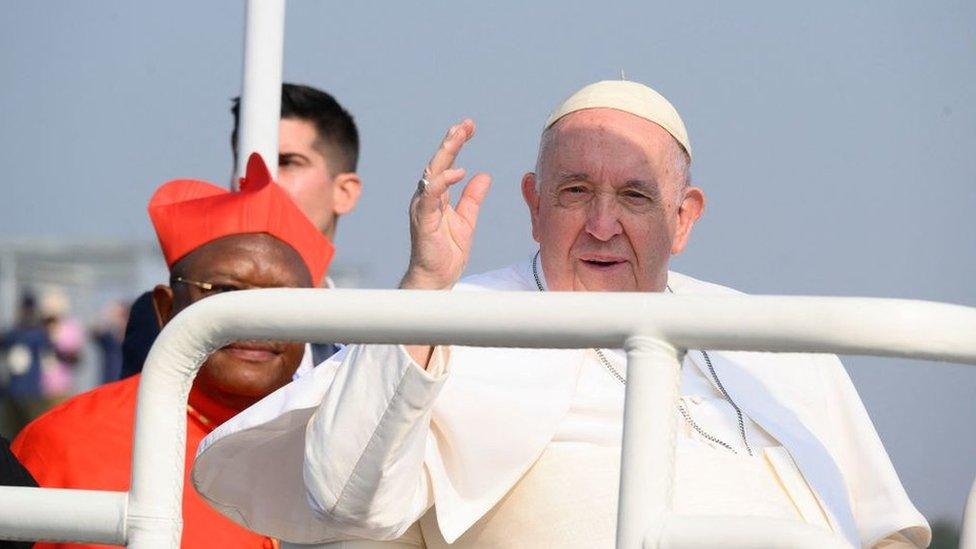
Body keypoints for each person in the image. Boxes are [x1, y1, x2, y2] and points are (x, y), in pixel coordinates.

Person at [192, 81, 930, 548]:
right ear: (533, 204)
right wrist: (424, 286)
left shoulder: (768, 334)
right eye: (576, 191)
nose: (603, 225)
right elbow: (341, 500)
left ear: (685, 217)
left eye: (636, 198)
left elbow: (884, 527)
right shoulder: (467, 317)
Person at [12, 153, 332, 548]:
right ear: (166, 307)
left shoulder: (340, 436)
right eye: (228, 293)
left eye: (283, 298)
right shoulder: (66, 441)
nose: (255, 320)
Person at [120, 83, 361, 379]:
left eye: (288, 162)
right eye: (246, 162)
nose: (264, 182)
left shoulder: (375, 335)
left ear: (345, 192)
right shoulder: (175, 314)